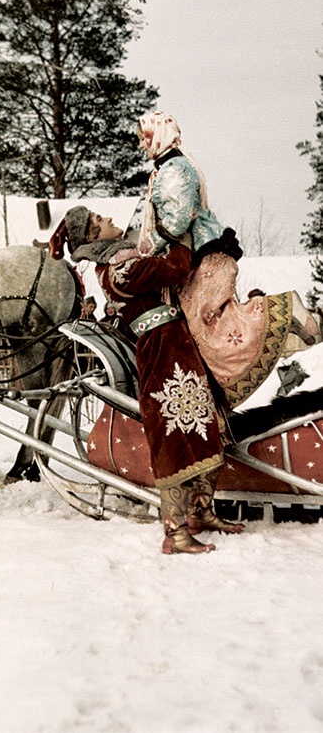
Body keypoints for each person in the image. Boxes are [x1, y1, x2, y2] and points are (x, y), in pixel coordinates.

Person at [61, 205, 243, 555]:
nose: (110, 220)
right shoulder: (117, 270)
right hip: (161, 354)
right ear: (92, 237)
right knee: (173, 437)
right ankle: (175, 533)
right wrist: (183, 231)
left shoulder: (128, 257)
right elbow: (174, 267)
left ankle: (201, 513)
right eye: (101, 221)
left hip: (177, 345)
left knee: (207, 427)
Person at [134, 110, 320, 408]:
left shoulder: (175, 169)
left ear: (160, 136)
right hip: (195, 259)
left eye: (145, 138)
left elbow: (177, 220)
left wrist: (145, 251)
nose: (143, 145)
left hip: (201, 259)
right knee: (203, 331)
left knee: (208, 330)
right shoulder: (165, 168)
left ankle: (287, 310)